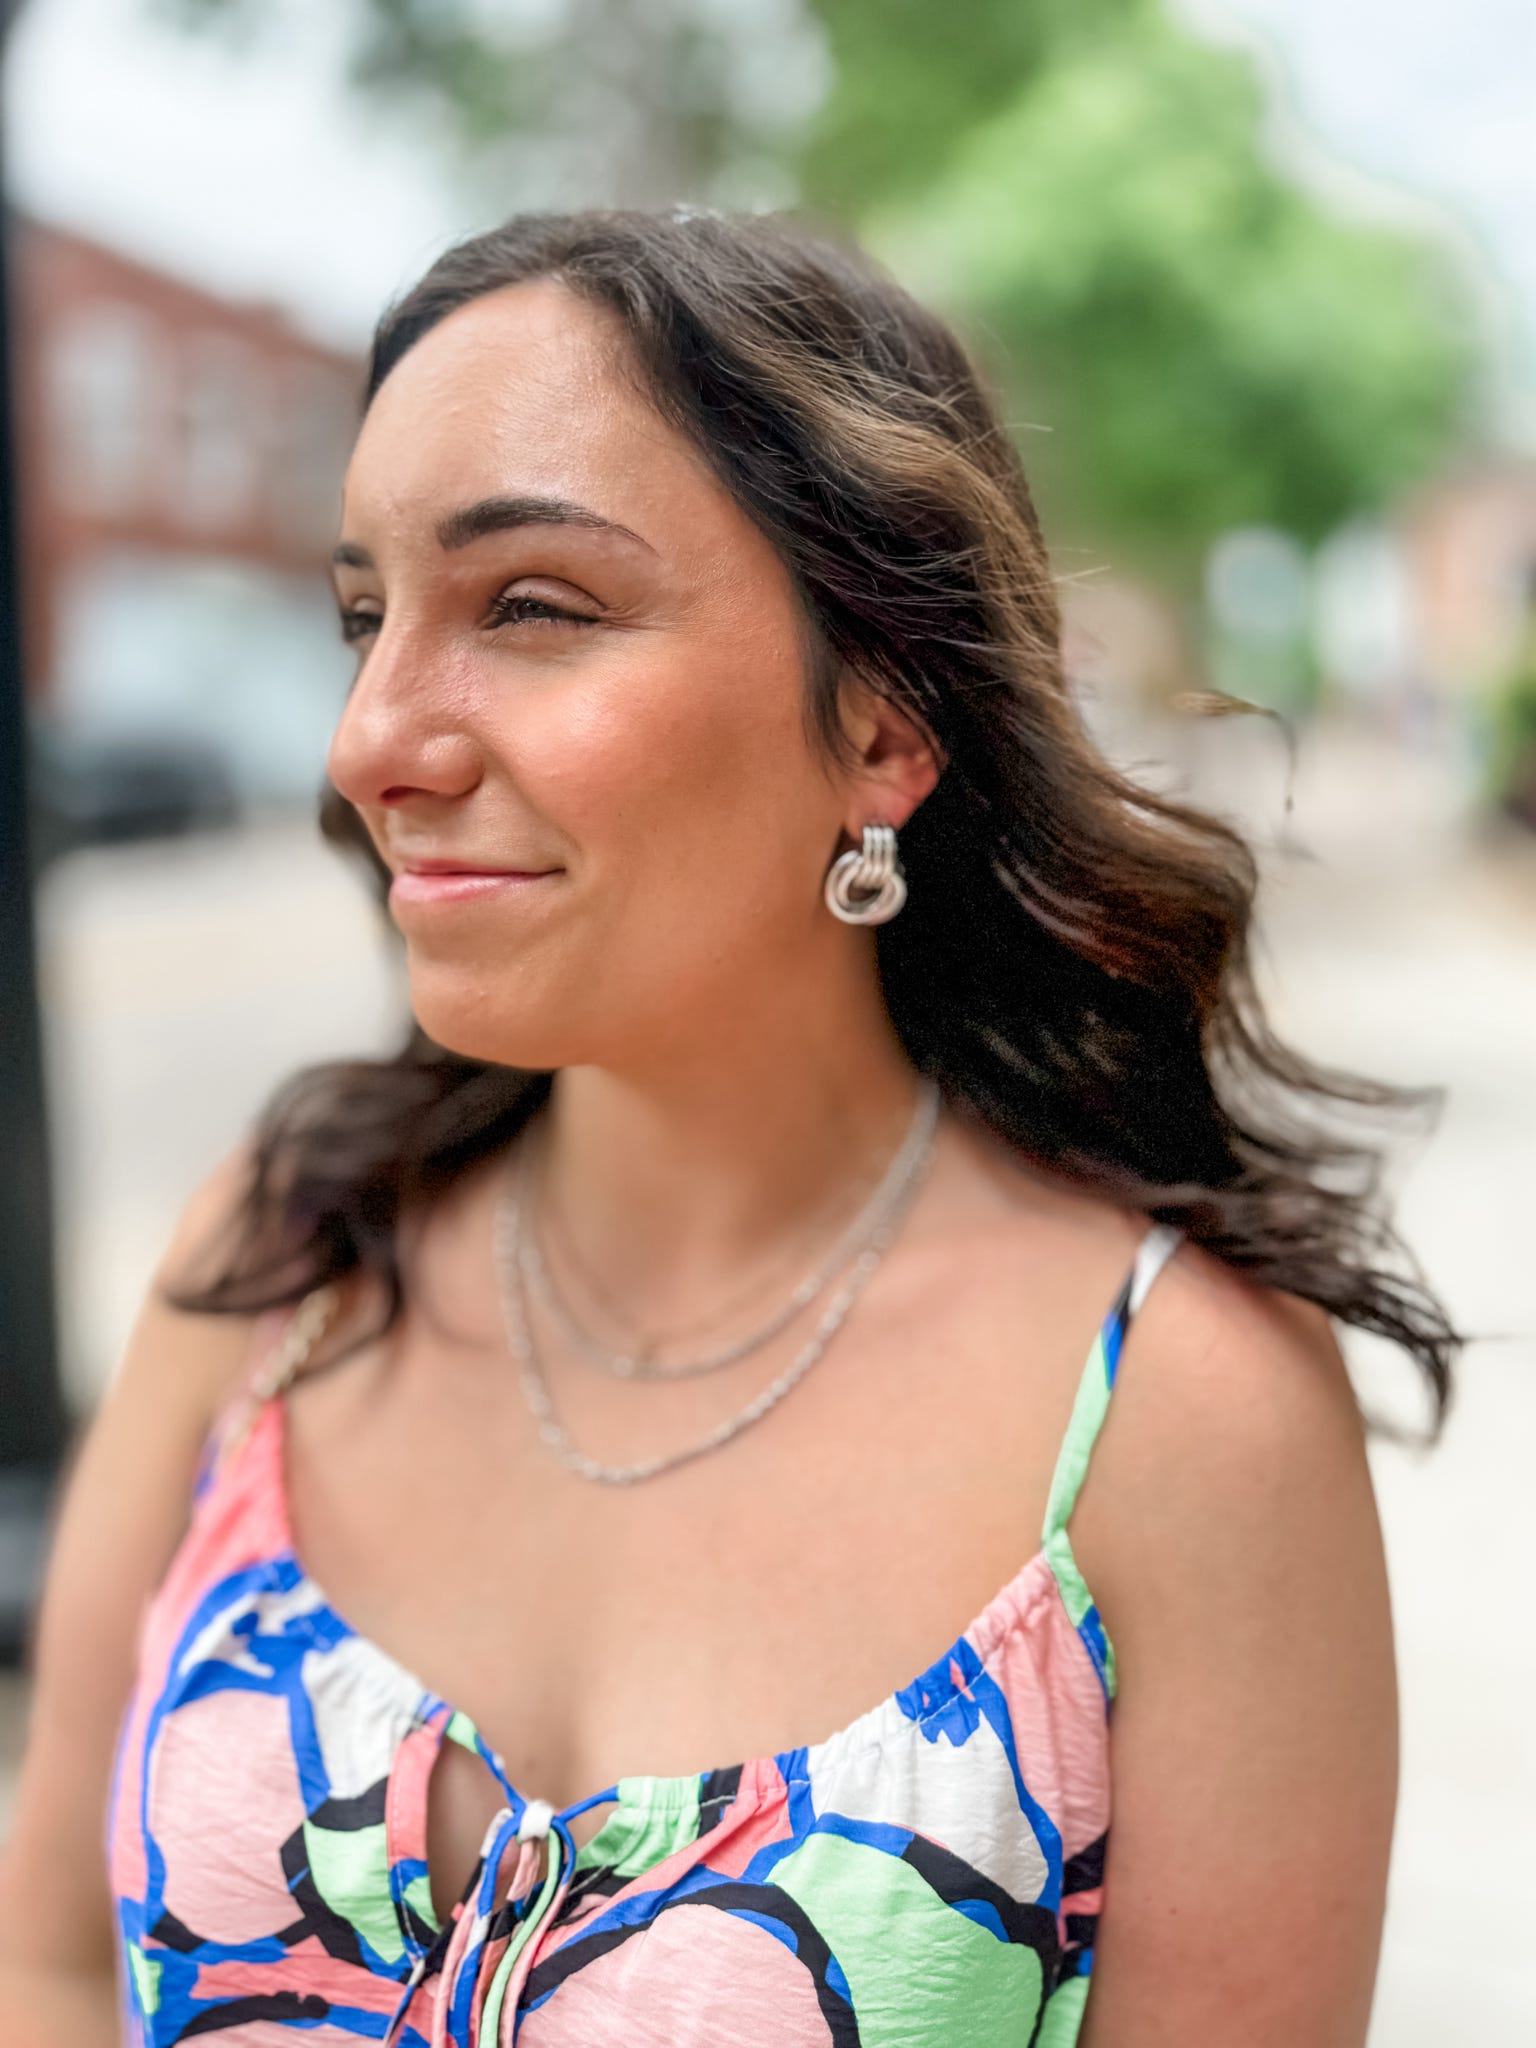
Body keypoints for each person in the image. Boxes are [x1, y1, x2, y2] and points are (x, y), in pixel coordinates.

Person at [0, 207, 1462, 2047]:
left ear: (881, 724)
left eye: (529, 605)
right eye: (367, 616)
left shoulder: (1180, 1414)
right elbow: (44, 1965)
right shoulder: (279, 1262)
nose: (371, 737)